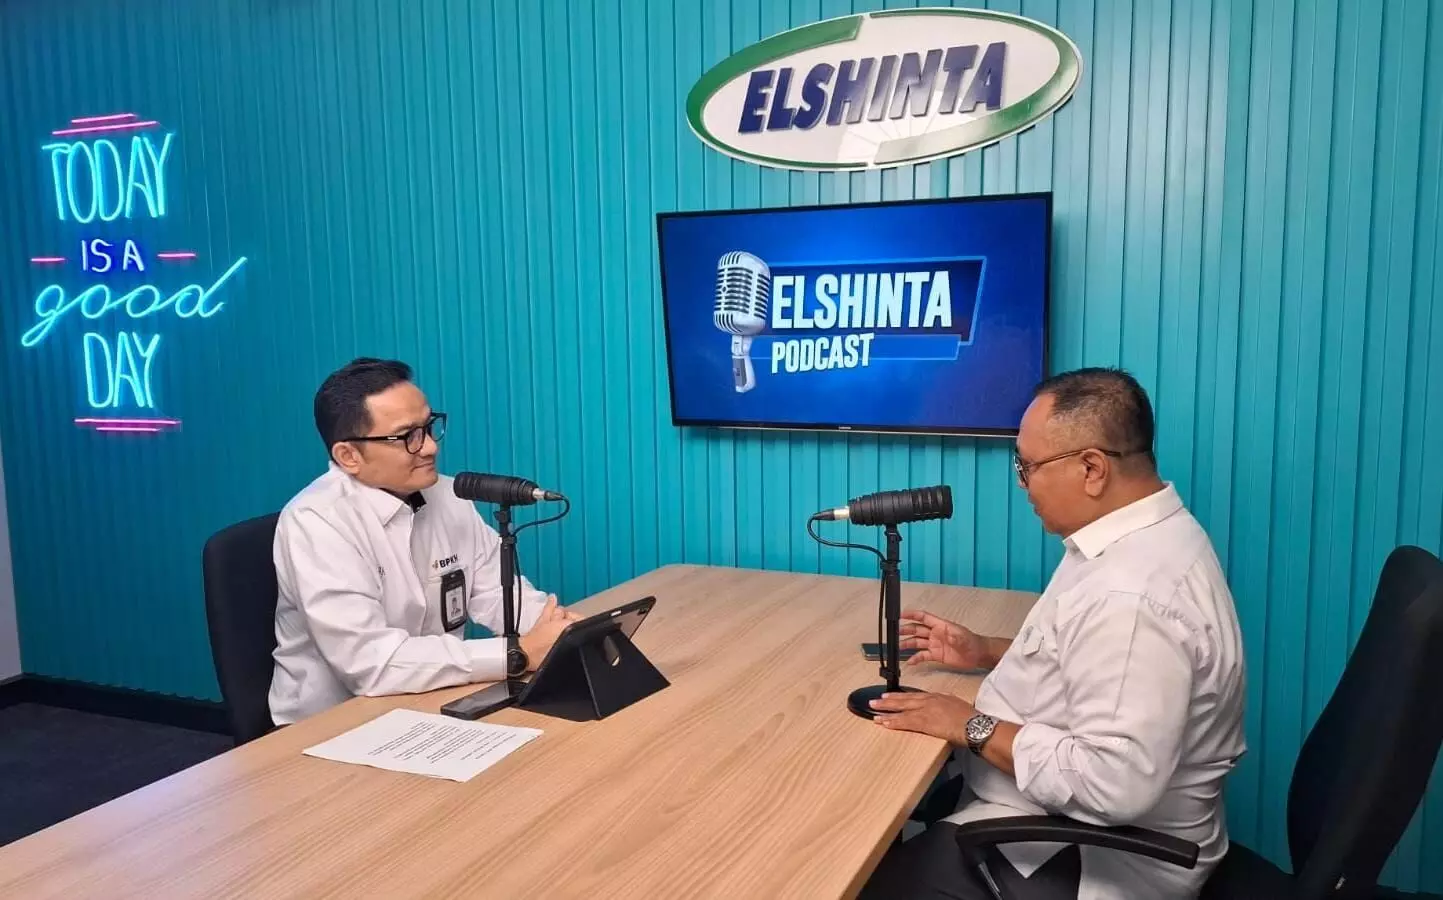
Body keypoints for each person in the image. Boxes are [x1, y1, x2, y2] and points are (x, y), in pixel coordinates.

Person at [861, 368, 1246, 900]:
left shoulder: (1131, 598)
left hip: (1099, 856)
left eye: (1028, 466)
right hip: (1055, 816)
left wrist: (968, 724)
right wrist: (985, 651)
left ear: (1092, 468)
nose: (1022, 484)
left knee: (861, 877)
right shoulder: (1141, 534)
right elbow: (1089, 658)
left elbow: (1111, 785)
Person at [268, 358, 577, 726]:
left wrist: (562, 634)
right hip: (331, 724)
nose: (430, 447)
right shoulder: (316, 521)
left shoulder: (448, 494)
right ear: (349, 456)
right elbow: (371, 663)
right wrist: (516, 653)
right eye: (407, 437)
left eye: (429, 427)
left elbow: (497, 593)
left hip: (429, 701)